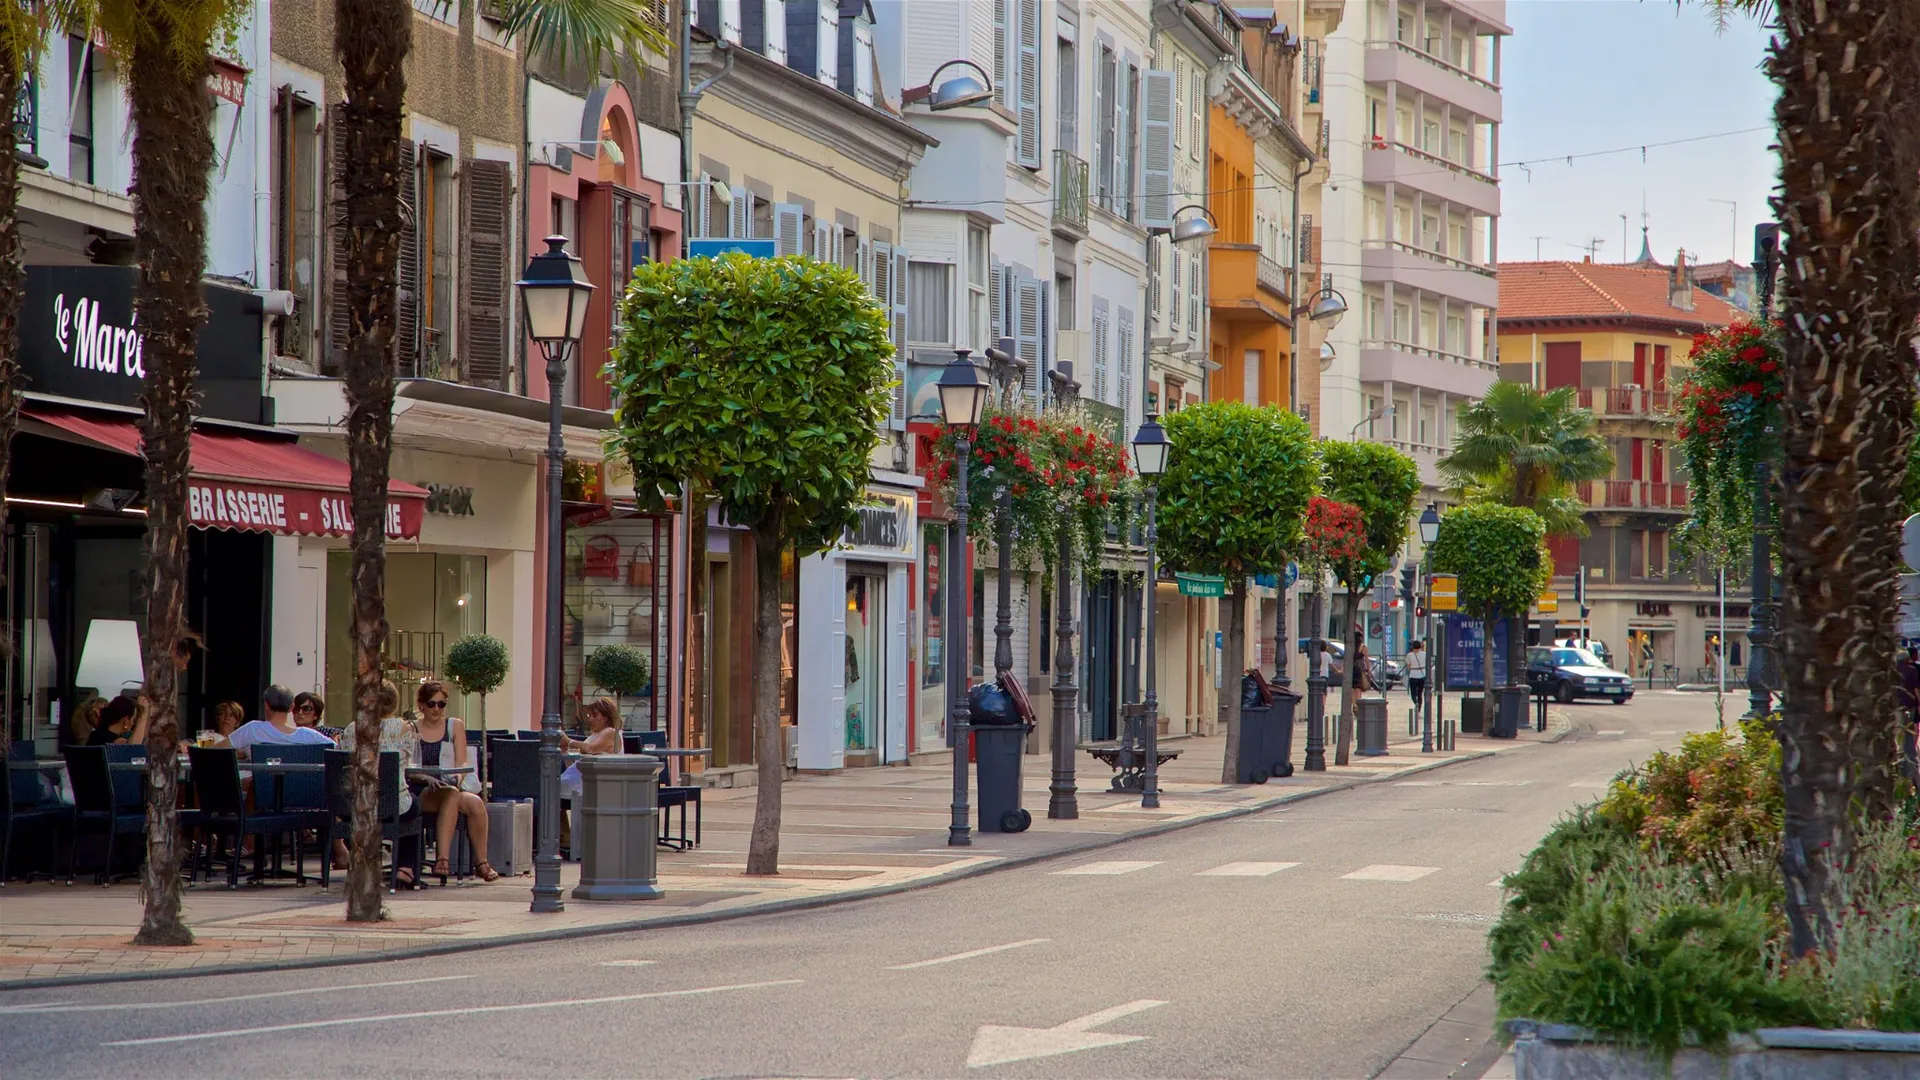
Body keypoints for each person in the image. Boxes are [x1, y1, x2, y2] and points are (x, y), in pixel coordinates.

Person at [410, 680, 497, 882]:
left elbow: (461, 761)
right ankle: (442, 859)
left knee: (474, 802)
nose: (436, 709)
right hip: (423, 788)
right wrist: (427, 777)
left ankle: (481, 862)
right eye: (431, 704)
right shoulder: (412, 729)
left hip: (450, 784)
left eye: (441, 704)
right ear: (421, 705)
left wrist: (459, 776)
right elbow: (408, 768)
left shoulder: (454, 726)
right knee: (451, 793)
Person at [338, 680, 420, 884]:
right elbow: (407, 759)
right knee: (415, 805)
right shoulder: (402, 727)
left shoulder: (351, 728)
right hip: (390, 806)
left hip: (354, 807)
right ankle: (405, 868)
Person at [558, 698, 625, 861]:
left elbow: (590, 749)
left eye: (595, 715)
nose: (590, 719)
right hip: (581, 780)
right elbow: (582, 757)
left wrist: (567, 740)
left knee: (546, 790)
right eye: (589, 715)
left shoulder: (610, 732)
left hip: (593, 784)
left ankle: (562, 836)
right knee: (546, 788)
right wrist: (567, 753)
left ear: (607, 717)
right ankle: (564, 835)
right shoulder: (596, 734)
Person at [227, 685, 334, 758]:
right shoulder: (310, 736)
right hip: (301, 790)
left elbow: (215, 751)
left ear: (266, 705)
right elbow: (342, 752)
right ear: (291, 708)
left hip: (264, 790)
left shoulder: (252, 729)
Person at [1406, 640, 1428, 708]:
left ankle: (1416, 703)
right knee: (1419, 693)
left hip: (1413, 675)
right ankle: (1419, 709)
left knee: (1413, 693)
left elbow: (1408, 666)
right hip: (1422, 675)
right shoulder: (1424, 654)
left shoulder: (1409, 655)